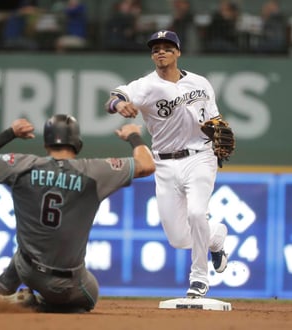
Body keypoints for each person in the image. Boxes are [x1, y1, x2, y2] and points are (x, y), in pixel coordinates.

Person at [0, 114, 155, 312]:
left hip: (26, 269)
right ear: (77, 144)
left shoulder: (23, 166)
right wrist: (133, 136)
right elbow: (148, 164)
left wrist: (10, 133)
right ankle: (36, 305)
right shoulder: (94, 171)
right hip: (64, 284)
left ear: (46, 144)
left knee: (27, 249)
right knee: (89, 297)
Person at [104, 30, 231, 298]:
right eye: (156, 48)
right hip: (164, 164)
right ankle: (216, 237)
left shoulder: (200, 83)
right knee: (179, 238)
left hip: (200, 156)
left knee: (197, 213)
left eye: (167, 47)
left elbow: (215, 122)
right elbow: (113, 98)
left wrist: (217, 139)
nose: (160, 52)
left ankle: (198, 278)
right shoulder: (145, 86)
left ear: (178, 52)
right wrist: (118, 105)